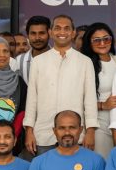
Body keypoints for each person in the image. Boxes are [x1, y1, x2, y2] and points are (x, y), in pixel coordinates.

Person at [23, 15, 98, 155]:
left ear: (73, 33)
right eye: (57, 28)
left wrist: (90, 131)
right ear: (50, 32)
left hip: (75, 134)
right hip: (43, 133)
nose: (62, 32)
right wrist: (29, 130)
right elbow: (32, 98)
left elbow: (90, 99)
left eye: (66, 28)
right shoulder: (38, 61)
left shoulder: (85, 62)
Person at [80, 23, 116, 159]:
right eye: (97, 40)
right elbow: (76, 99)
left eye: (106, 39)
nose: (102, 43)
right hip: (99, 124)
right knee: (102, 163)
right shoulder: (85, 64)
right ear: (89, 42)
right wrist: (103, 105)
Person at [16, 15, 51, 84]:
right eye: (33, 33)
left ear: (49, 34)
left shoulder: (60, 58)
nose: (37, 38)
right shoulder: (18, 61)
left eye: (41, 33)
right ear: (27, 35)